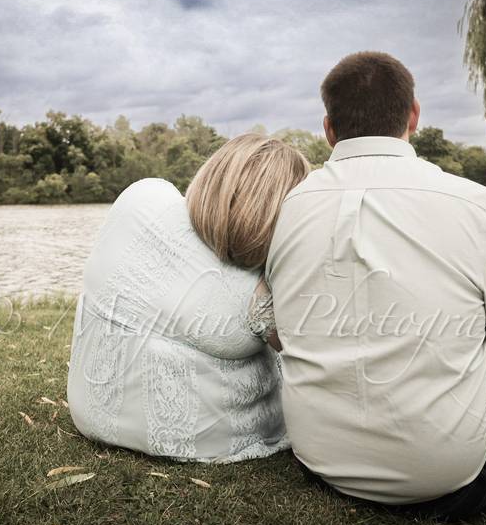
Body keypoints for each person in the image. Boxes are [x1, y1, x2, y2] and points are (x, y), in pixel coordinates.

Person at [265, 51, 486, 519]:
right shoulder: (477, 204)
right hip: (457, 484)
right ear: (413, 114)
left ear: (328, 129)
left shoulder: (289, 207)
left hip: (320, 464)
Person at [68, 134, 308, 462]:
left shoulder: (142, 197)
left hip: (90, 411)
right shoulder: (257, 293)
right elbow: (307, 358)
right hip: (197, 441)